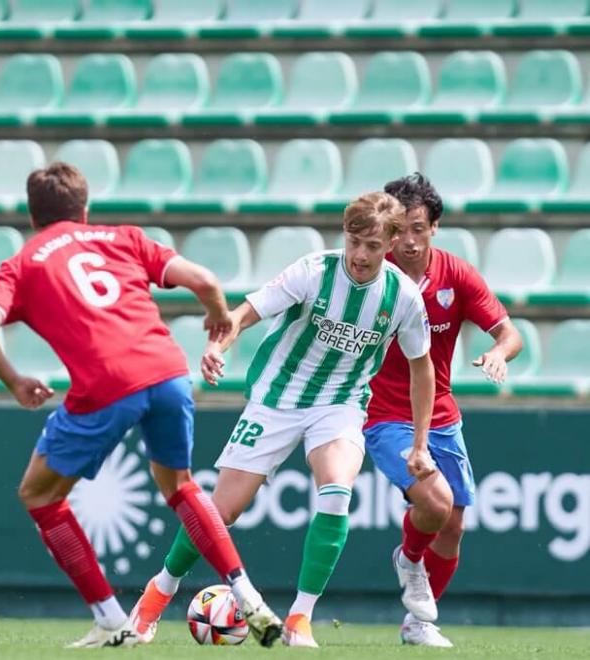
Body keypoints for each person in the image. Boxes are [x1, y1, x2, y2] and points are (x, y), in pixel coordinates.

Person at [0, 162, 282, 649]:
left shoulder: (24, 263)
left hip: (107, 383)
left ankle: (112, 619)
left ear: (32, 217)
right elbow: (203, 279)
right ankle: (248, 595)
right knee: (180, 487)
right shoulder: (123, 237)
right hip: (168, 372)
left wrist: (14, 381)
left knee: (40, 494)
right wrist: (220, 317)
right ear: (85, 209)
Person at [130, 191, 436, 648]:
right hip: (277, 399)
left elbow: (422, 368)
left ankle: (300, 618)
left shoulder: (404, 297)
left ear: (390, 243)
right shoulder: (313, 271)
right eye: (355, 241)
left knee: (336, 491)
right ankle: (158, 594)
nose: (360, 254)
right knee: (223, 511)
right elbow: (244, 314)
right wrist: (218, 347)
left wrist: (420, 442)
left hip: (340, 403)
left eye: (373, 245)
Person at [363, 174, 523, 647]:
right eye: (400, 231)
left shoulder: (457, 275)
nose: (408, 241)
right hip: (385, 414)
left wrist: (498, 354)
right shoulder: (375, 272)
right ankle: (409, 559)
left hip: (442, 416)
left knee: (452, 527)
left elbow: (510, 334)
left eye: (418, 228)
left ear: (435, 226)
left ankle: (418, 624)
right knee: (434, 503)